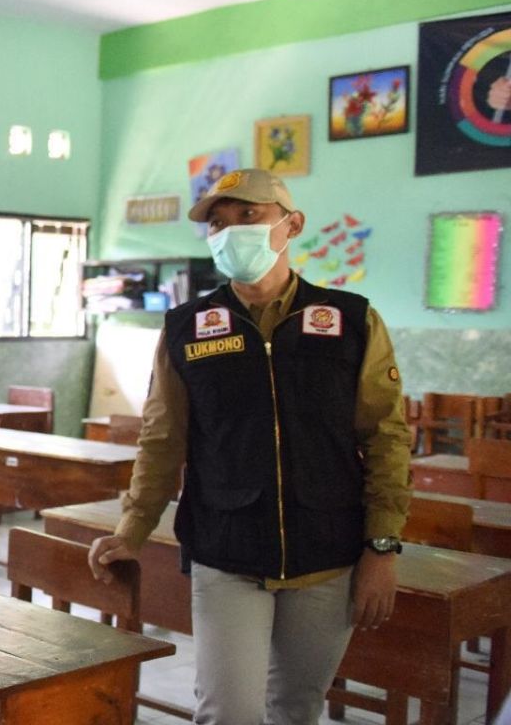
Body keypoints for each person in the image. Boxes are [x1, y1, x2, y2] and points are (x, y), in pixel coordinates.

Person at [88, 168, 411, 725]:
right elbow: (163, 438)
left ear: (292, 225)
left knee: (296, 709)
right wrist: (131, 528)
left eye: (248, 216)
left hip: (327, 551)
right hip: (226, 550)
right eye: (218, 222)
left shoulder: (350, 320)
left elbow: (386, 437)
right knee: (228, 712)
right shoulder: (187, 328)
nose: (231, 230)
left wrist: (381, 547)